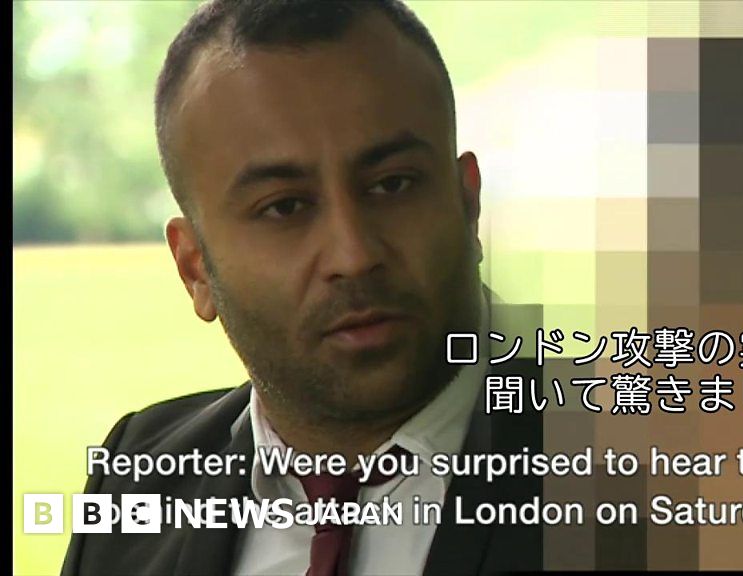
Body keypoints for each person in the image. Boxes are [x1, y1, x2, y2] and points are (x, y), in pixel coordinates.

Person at [61, 1, 543, 574]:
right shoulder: (136, 478)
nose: (354, 255)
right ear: (194, 268)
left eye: (393, 185)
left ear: (468, 202)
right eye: (284, 207)